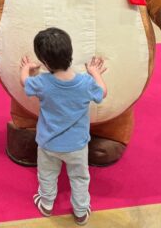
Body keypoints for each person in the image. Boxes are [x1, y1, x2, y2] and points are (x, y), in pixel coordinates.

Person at [19, 28, 107, 226]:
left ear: (45, 62)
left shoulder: (42, 82)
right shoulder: (85, 82)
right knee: (79, 178)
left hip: (48, 143)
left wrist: (26, 69)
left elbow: (25, 83)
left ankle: (47, 203)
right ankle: (81, 211)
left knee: (47, 175)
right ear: (70, 53)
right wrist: (95, 73)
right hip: (77, 145)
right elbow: (102, 93)